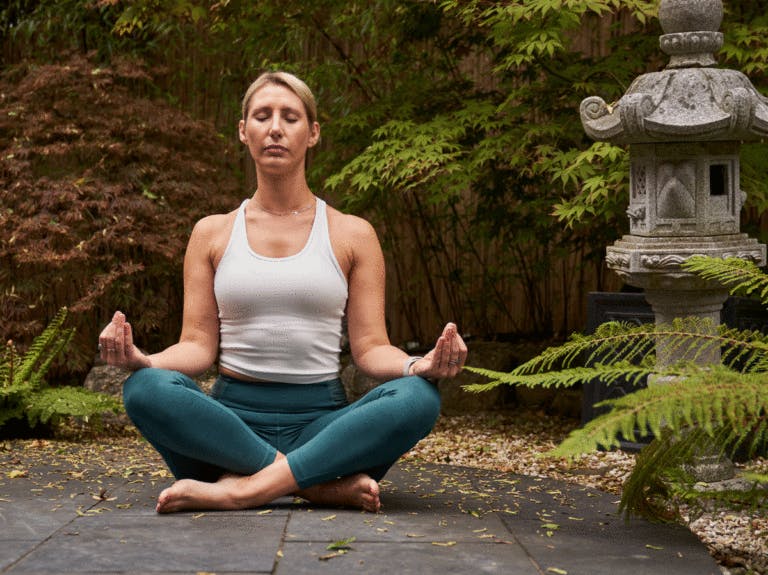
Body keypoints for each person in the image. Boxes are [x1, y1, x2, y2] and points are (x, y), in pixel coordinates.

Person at [98, 71, 467, 514]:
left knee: (419, 396)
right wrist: (144, 361)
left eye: (290, 117)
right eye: (262, 116)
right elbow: (197, 347)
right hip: (227, 429)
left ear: (312, 133)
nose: (275, 127)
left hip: (325, 428)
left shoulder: (353, 234)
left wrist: (417, 364)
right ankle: (313, 485)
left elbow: (370, 350)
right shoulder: (211, 233)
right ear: (243, 131)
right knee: (144, 389)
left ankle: (240, 490)